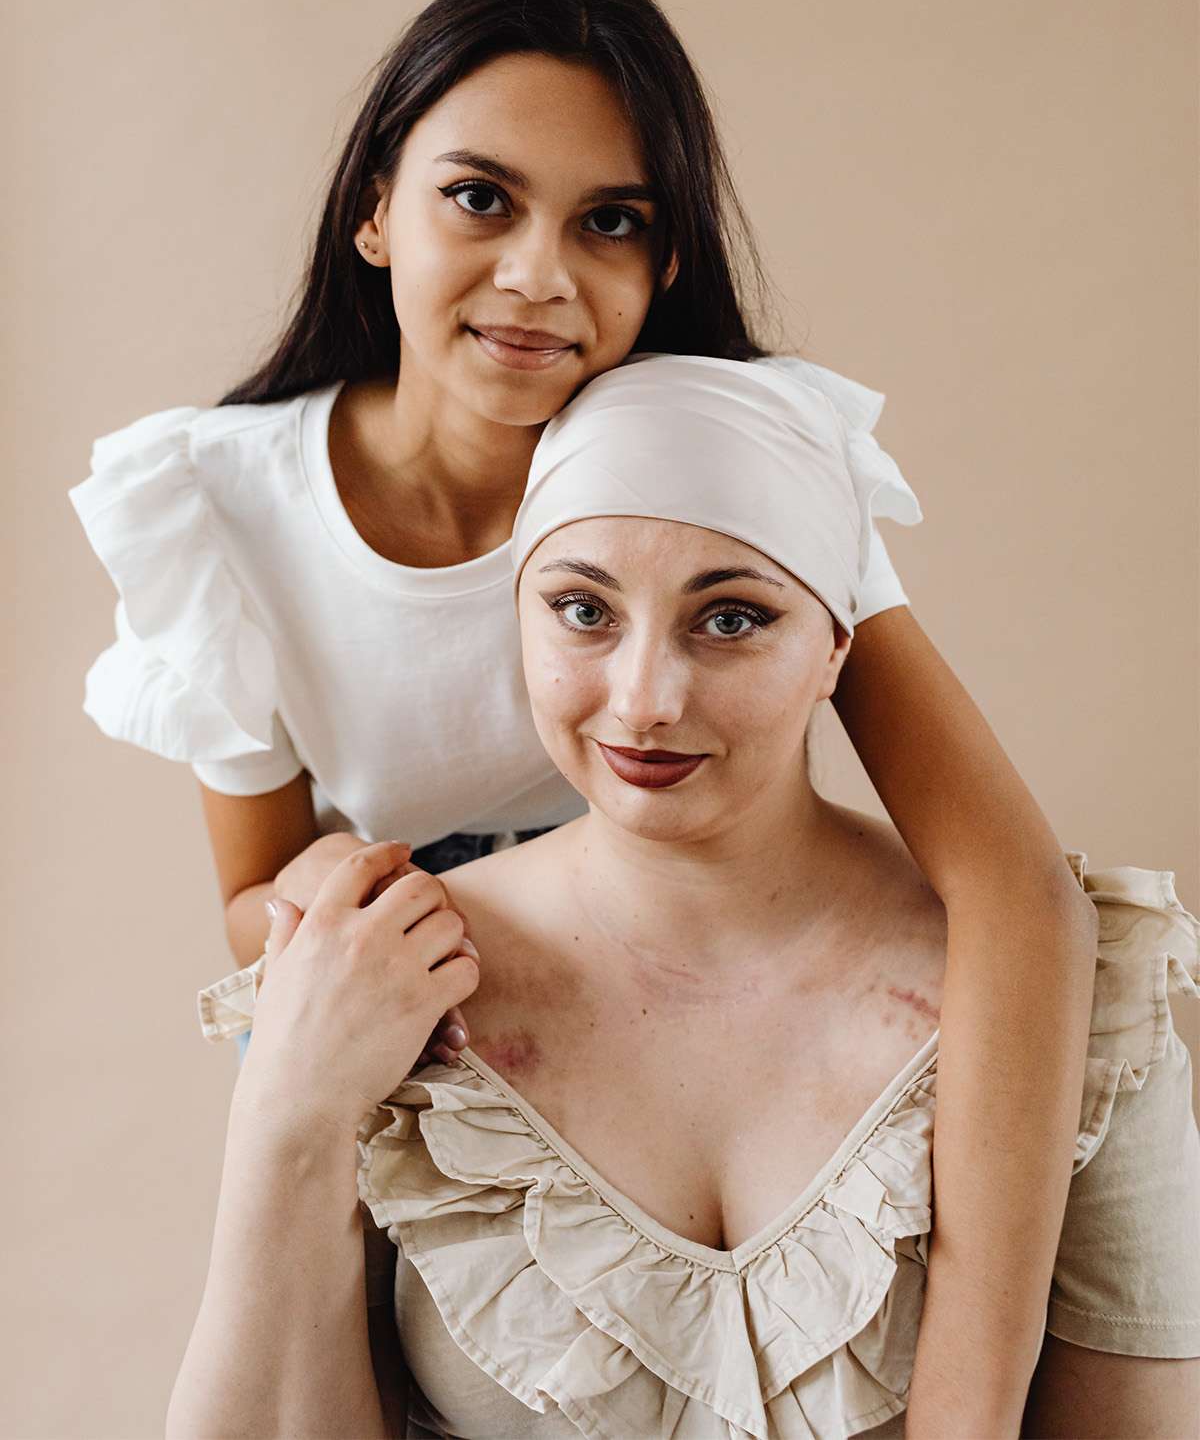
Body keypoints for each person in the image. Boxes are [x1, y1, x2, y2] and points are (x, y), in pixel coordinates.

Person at [72, 0, 1100, 1431]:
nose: (540, 276)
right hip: (436, 985)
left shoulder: (738, 458)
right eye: (481, 198)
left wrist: (968, 1405)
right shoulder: (228, 510)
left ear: (667, 260)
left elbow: (1014, 884)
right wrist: (362, 948)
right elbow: (252, 902)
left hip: (724, 951)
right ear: (375, 205)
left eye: (610, 221)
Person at [171, 355, 1200, 1439]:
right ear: (517, 616)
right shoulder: (383, 980)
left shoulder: (1070, 1007)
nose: (645, 699)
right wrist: (289, 1111)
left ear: (837, 646)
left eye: (732, 619)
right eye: (582, 609)